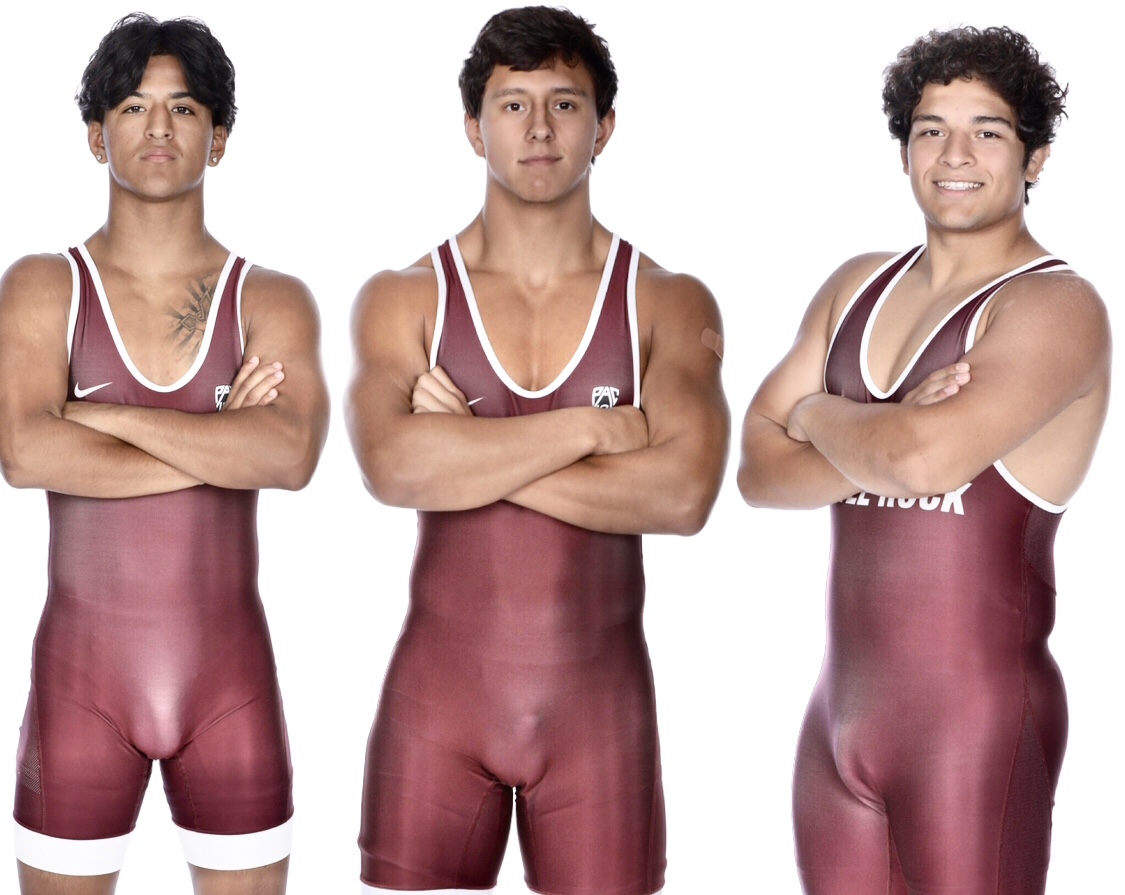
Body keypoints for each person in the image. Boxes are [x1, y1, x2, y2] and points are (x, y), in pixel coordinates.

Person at [345, 6, 728, 893]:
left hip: (599, 719)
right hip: (435, 713)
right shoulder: (405, 296)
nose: (540, 129)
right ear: (472, 128)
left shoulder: (666, 299)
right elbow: (392, 468)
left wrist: (466, 452)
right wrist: (594, 428)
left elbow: (682, 496)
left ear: (605, 126)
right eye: (513, 105)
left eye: (564, 103)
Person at [738, 25, 1110, 895]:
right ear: (903, 149)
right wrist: (883, 428)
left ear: (1035, 157)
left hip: (974, 730)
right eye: (930, 129)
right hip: (836, 726)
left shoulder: (1056, 307)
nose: (954, 155)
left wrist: (813, 413)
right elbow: (756, 470)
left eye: (987, 131)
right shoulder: (854, 287)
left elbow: (925, 463)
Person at [0, 13, 329, 895]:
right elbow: (25, 451)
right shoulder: (42, 285)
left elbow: (290, 455)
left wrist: (96, 416)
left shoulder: (271, 298)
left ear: (218, 139)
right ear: (95, 134)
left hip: (230, 691)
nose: (158, 127)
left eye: (184, 109)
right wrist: (223, 442)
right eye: (133, 107)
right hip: (78, 691)